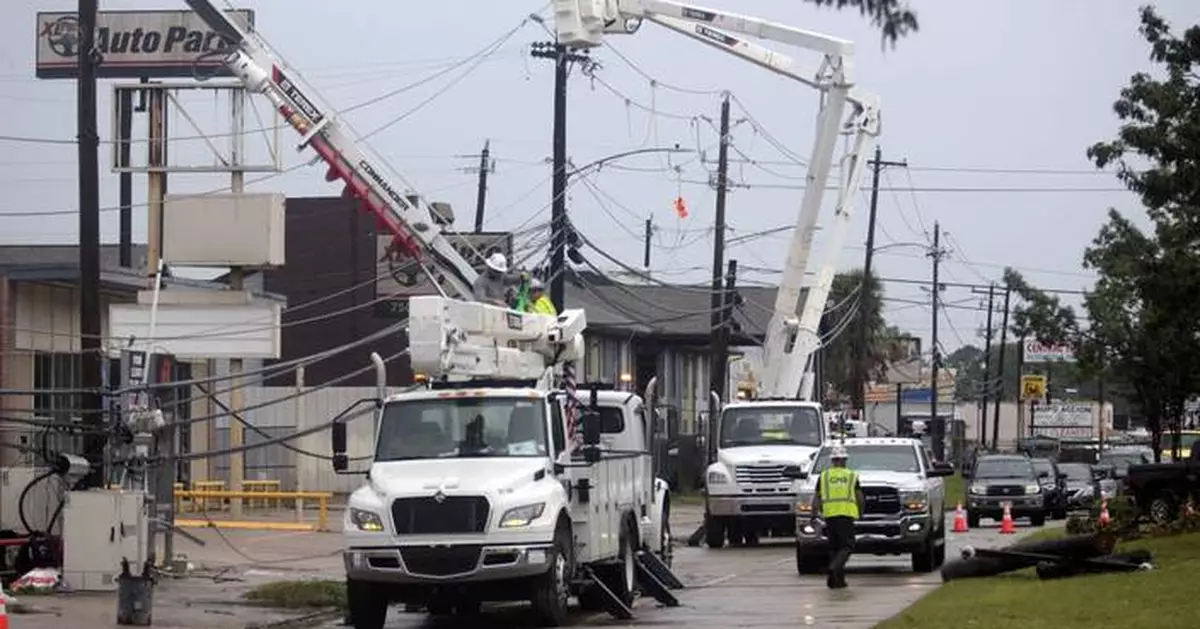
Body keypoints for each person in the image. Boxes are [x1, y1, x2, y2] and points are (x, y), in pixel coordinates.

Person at [812, 444, 864, 589]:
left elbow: (816, 498)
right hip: (846, 514)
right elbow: (859, 497)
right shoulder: (851, 475)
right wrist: (861, 511)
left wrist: (813, 515)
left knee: (834, 548)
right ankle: (834, 567)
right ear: (844, 460)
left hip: (829, 515)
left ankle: (837, 581)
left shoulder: (824, 476)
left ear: (832, 460)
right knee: (847, 545)